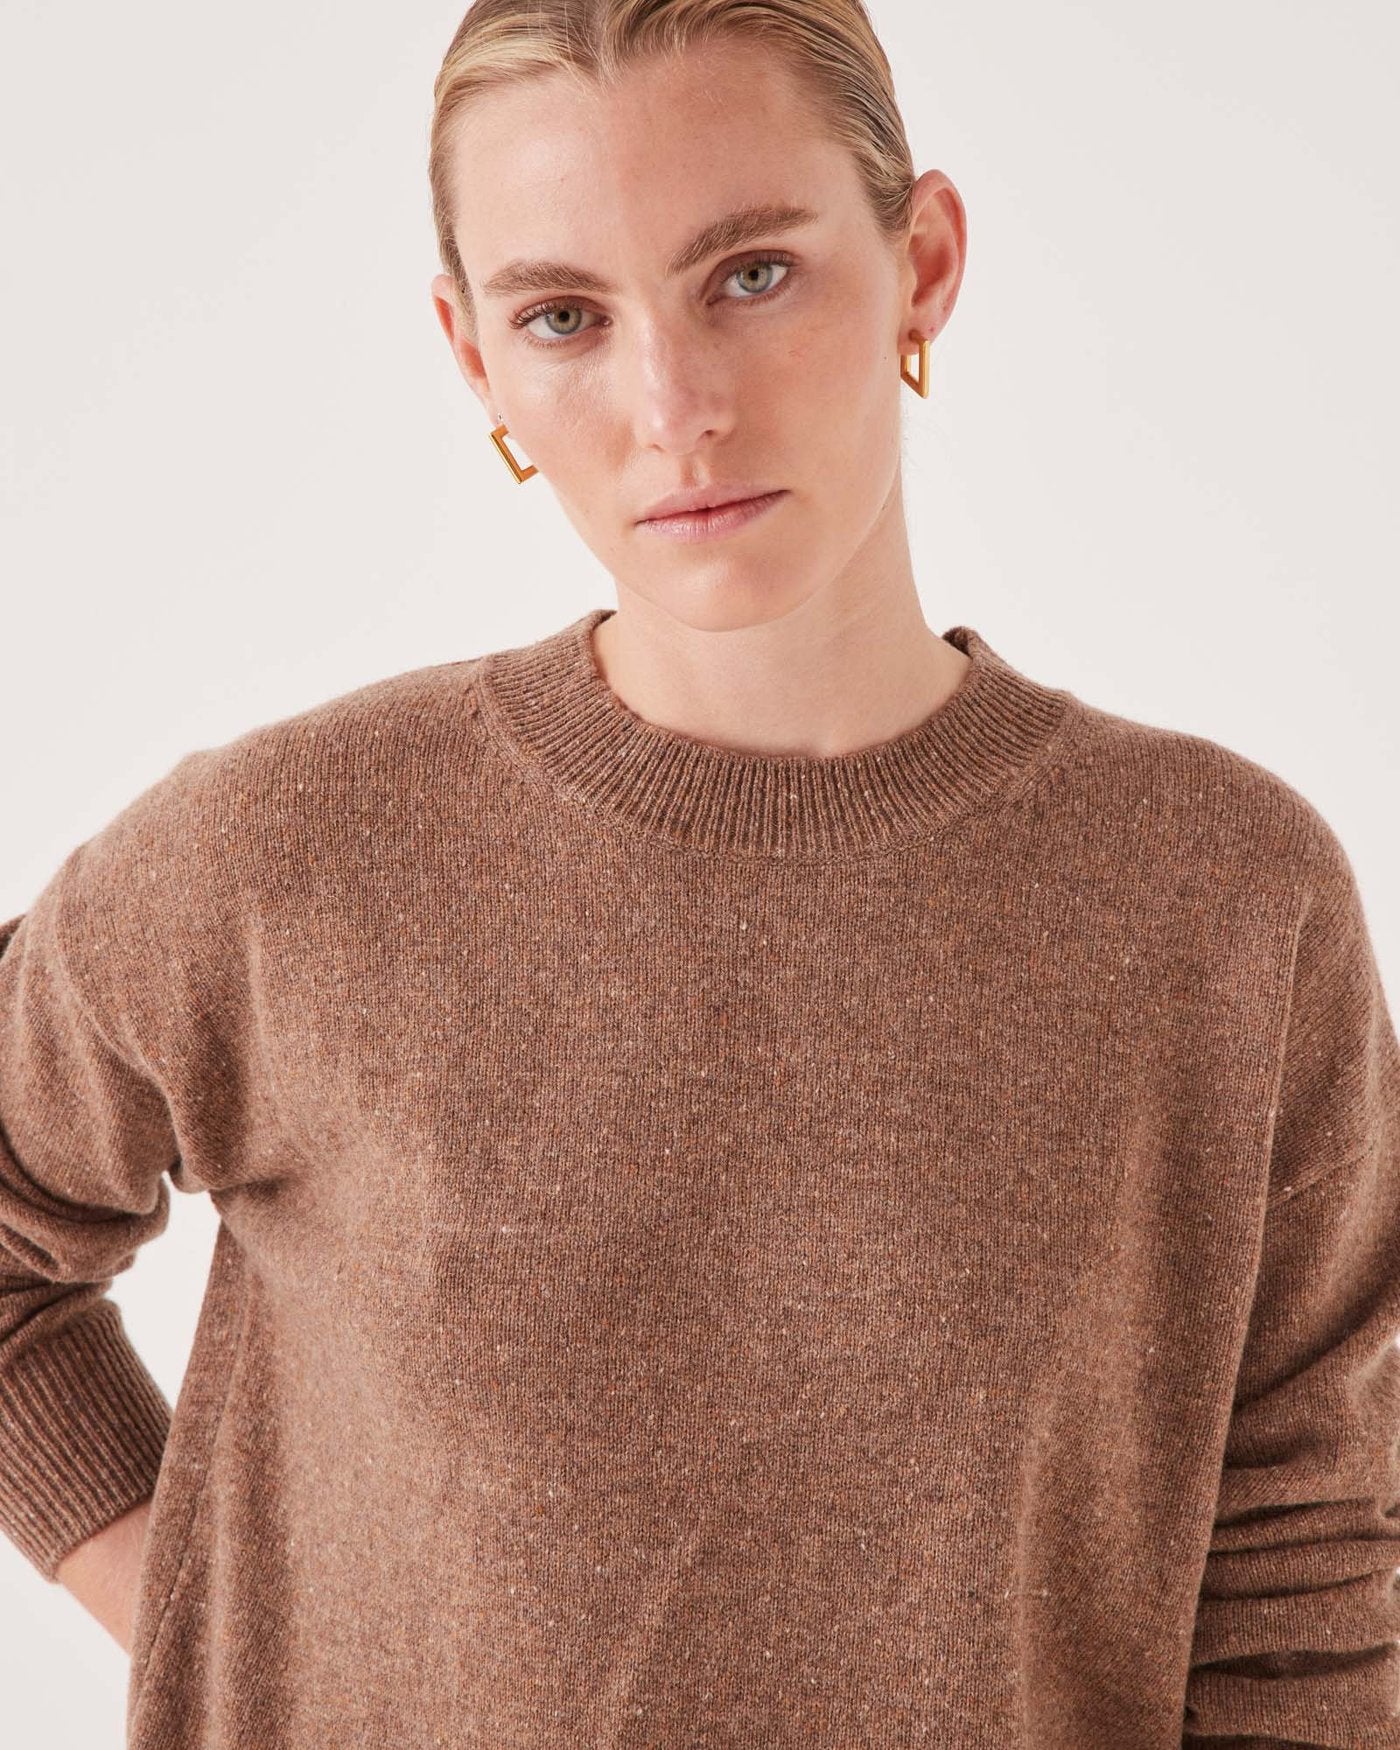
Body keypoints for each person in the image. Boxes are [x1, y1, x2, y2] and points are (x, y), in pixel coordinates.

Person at [3, 1, 1398, 1745]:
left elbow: (1308, 1579)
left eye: (751, 274)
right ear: (474, 358)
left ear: (923, 264)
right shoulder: (285, 861)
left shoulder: (1223, 900)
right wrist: (225, 1628)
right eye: (564, 316)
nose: (675, 408)